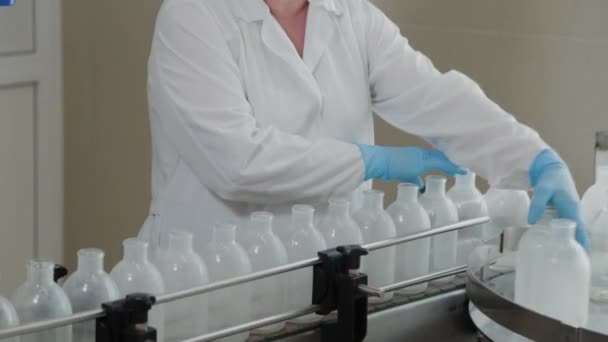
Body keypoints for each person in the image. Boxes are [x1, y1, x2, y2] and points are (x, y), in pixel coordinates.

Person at [140, 0, 589, 252]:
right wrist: (369, 161)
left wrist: (534, 158)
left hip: (322, 276)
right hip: (210, 281)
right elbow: (236, 162)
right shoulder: (193, 16)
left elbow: (436, 98)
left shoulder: (352, 16)